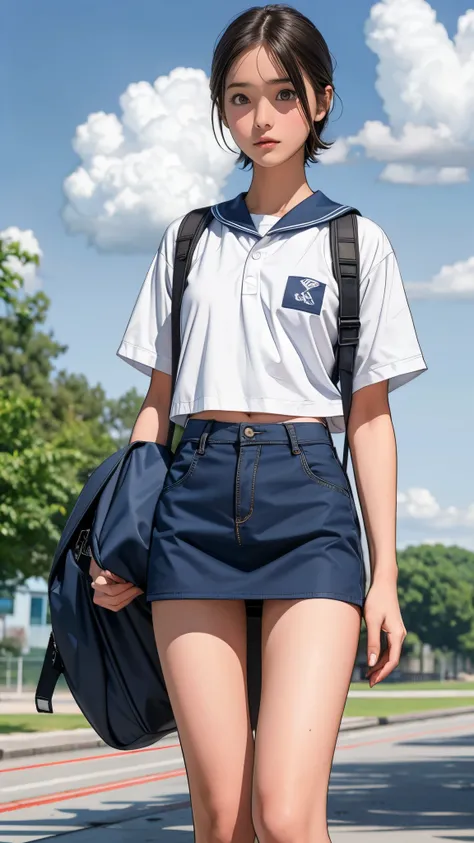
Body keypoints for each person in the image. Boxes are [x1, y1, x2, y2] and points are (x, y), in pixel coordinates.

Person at [89, 5, 427, 842]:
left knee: (283, 812)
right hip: (193, 508)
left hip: (310, 504)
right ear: (221, 111)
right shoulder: (188, 240)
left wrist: (384, 575)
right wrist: (122, 536)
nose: (261, 117)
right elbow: (157, 405)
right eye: (239, 99)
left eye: (282, 94)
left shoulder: (357, 243)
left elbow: (370, 420)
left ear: (320, 100)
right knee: (222, 817)